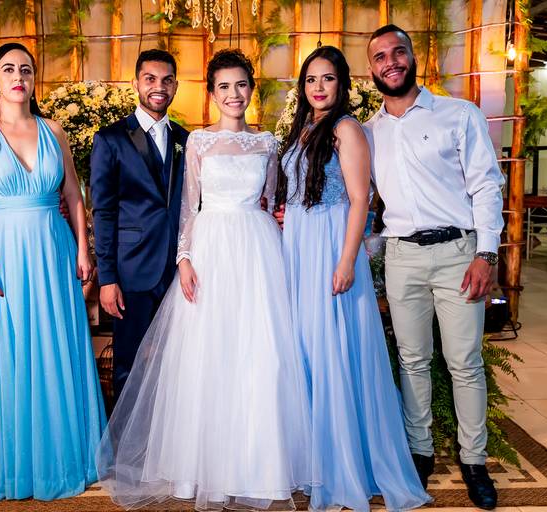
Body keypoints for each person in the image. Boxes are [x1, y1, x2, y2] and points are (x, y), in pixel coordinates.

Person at [96, 49, 312, 511]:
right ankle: (201, 462)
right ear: (211, 93)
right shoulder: (196, 141)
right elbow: (188, 208)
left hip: (256, 251)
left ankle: (256, 463)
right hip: (210, 249)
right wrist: (185, 258)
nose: (234, 94)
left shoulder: (267, 143)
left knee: (258, 353)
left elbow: (270, 201)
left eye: (241, 85)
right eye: (224, 87)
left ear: (251, 89)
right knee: (207, 354)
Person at [276, 45, 431, 512]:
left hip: (331, 247)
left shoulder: (347, 128)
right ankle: (314, 458)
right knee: (307, 346)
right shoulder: (304, 128)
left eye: (327, 78)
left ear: (342, 84)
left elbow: (361, 200)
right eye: (310, 79)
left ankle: (344, 461)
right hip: (300, 245)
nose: (318, 87)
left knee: (334, 350)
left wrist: (346, 262)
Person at [0, 42, 106, 508]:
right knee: (12, 349)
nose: (18, 76)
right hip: (2, 254)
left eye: (25, 69)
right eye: (8, 69)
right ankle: (16, 460)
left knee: (57, 344)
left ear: (33, 78)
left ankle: (64, 454)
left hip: (53, 250)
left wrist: (83, 249)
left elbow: (74, 195)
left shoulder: (53, 129)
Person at [364, 24, 504, 510]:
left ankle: (474, 461)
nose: (391, 62)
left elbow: (486, 185)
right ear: (371, 69)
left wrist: (487, 254)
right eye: (380, 56)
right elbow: (359, 199)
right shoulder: (368, 133)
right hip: (402, 257)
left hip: (458, 254)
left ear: (412, 57)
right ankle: (420, 453)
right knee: (412, 360)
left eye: (397, 52)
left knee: (464, 362)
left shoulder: (458, 114)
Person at [90, 49, 189, 399]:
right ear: (135, 83)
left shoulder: (186, 140)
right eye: (150, 79)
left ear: (175, 86)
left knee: (177, 363)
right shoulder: (111, 139)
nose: (158, 87)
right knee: (129, 365)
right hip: (132, 271)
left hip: (177, 270)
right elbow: (103, 212)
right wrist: (108, 279)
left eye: (166, 80)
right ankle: (124, 435)